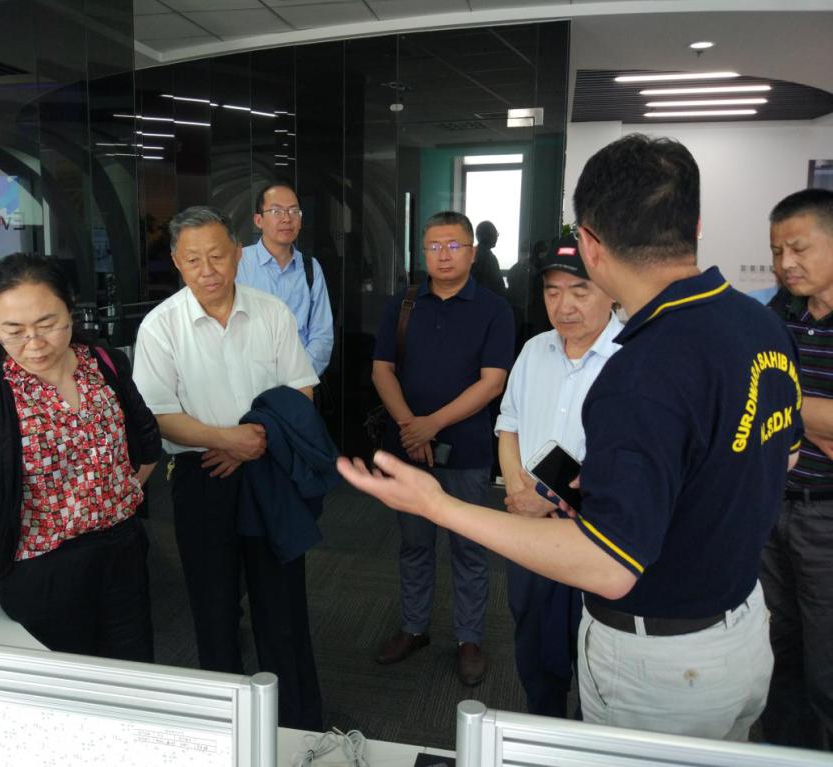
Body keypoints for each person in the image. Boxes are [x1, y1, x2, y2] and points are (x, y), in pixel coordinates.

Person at [339, 134, 802, 741]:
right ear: (693, 226)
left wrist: (437, 505)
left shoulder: (639, 369)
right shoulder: (759, 324)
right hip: (741, 629)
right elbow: (782, 454)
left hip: (664, 663)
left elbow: (609, 568)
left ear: (591, 243)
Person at [132, 205, 324, 730]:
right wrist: (226, 440)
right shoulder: (160, 326)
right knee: (213, 607)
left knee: (281, 605)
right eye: (193, 259)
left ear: (238, 253)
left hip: (269, 468)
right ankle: (228, 727)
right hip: (202, 477)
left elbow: (300, 391)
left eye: (217, 255)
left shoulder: (272, 313)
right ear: (177, 262)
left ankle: (297, 724)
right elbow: (157, 415)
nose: (208, 269)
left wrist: (253, 439)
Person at [0, 253, 161, 662]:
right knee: (65, 685)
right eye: (14, 331)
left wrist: (118, 497)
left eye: (47, 324)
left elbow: (146, 439)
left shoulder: (104, 363)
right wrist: (12, 548)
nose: (34, 343)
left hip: (122, 552)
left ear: (70, 310)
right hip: (43, 571)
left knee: (133, 673)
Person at [371, 210, 513, 686]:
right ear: (423, 252)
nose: (444, 255)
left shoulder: (494, 309)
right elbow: (381, 370)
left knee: (468, 547)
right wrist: (410, 427)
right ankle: (414, 627)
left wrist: (431, 424)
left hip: (467, 450)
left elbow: (492, 383)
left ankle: (469, 638)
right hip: (408, 449)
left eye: (454, 245)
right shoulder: (403, 304)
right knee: (414, 544)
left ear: (472, 252)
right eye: (434, 246)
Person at [495, 234, 622, 717]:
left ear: (610, 289)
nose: (564, 306)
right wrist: (517, 488)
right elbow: (509, 424)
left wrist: (547, 499)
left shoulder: (632, 357)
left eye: (579, 290)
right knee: (534, 648)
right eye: (552, 291)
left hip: (596, 538)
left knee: (594, 660)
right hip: (531, 531)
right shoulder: (534, 351)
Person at [763, 187, 833, 751]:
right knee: (773, 649)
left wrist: (781, 402)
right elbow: (746, 387)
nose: (786, 263)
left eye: (799, 248)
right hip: (770, 506)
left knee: (826, 658)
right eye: (776, 251)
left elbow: (764, 394)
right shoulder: (778, 314)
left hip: (825, 516)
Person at [237, 183, 334, 375]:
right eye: (276, 211)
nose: (287, 218)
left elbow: (322, 335)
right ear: (258, 220)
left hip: (300, 380)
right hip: (249, 380)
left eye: (294, 211)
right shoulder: (238, 263)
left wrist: (299, 377)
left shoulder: (311, 267)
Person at [472, 220, 506, 296]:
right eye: (495, 234)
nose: (497, 237)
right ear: (489, 236)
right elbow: (499, 288)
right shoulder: (490, 258)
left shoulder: (471, 254)